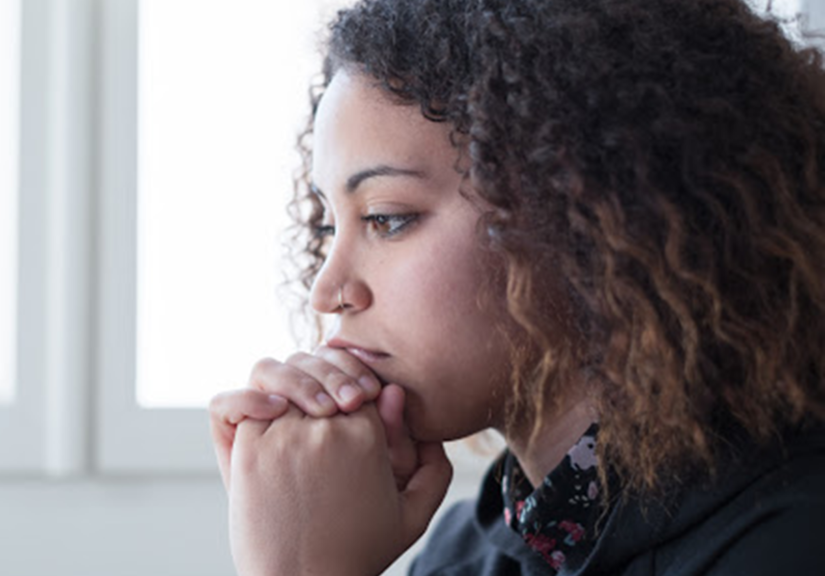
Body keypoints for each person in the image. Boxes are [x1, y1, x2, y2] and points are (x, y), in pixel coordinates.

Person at [209, 0, 825, 574]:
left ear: (588, 210)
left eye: (386, 218)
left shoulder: (791, 538)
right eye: (327, 222)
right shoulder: (461, 553)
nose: (328, 290)